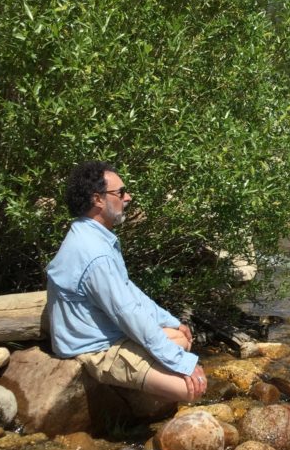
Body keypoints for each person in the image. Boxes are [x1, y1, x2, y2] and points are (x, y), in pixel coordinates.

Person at [46, 160, 207, 401]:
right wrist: (183, 364)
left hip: (106, 330)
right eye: (120, 192)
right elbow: (127, 312)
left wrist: (170, 321)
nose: (128, 197)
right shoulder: (94, 253)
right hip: (95, 347)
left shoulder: (91, 234)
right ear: (97, 199)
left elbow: (128, 290)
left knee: (181, 337)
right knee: (191, 389)